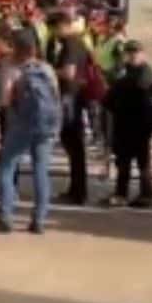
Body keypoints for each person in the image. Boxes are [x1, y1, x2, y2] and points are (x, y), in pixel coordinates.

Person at [0, 30, 60, 234]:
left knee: (7, 167)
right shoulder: (46, 69)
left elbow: (4, 100)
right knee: (41, 170)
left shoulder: (10, 69)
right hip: (46, 125)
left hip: (20, 124)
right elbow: (55, 97)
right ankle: (39, 219)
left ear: (15, 47)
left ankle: (5, 216)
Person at [105, 41, 152, 208]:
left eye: (136, 52)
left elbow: (136, 91)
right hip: (123, 122)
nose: (132, 55)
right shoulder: (124, 71)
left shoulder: (145, 73)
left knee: (142, 162)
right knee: (123, 161)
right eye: (129, 52)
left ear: (143, 54)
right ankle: (121, 193)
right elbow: (111, 94)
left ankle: (145, 194)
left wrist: (118, 83)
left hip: (139, 123)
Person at [50, 13, 90, 205]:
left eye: (54, 28)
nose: (53, 32)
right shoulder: (75, 43)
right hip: (72, 97)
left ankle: (79, 192)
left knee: (74, 145)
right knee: (73, 146)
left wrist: (49, 70)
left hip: (70, 97)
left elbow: (69, 72)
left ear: (62, 26)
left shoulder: (71, 44)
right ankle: (76, 190)